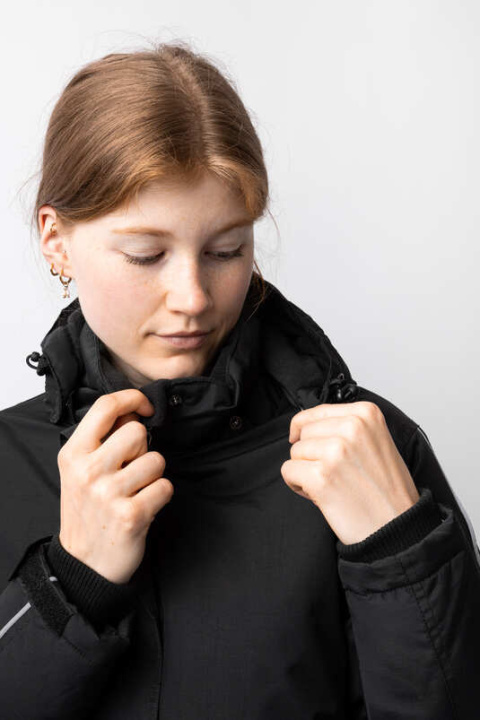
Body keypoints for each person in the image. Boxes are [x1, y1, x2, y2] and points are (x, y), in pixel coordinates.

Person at [0, 41, 479, 720]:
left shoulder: (373, 452)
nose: (193, 297)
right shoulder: (5, 463)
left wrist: (399, 555)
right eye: (146, 254)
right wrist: (69, 583)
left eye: (226, 250)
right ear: (56, 240)